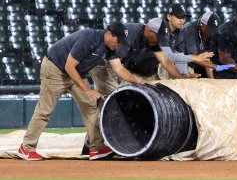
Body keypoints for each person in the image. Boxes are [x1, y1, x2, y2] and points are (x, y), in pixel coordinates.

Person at [16, 22, 146, 161]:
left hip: (74, 73)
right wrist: (87, 90)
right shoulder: (89, 38)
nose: (119, 44)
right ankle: (26, 148)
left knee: (91, 107)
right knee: (45, 110)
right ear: (108, 33)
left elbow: (119, 69)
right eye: (118, 40)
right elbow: (69, 65)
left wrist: (138, 81)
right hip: (55, 69)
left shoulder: (110, 48)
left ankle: (97, 148)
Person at [150, 4, 215, 80]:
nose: (182, 20)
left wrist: (184, 74)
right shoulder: (161, 28)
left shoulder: (180, 32)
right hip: (145, 65)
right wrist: (195, 58)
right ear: (169, 17)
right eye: (178, 17)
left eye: (183, 18)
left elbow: (179, 55)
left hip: (157, 65)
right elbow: (168, 57)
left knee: (187, 74)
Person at [173, 10, 221, 78]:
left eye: (214, 30)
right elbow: (193, 56)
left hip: (191, 63)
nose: (211, 33)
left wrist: (211, 78)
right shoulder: (190, 29)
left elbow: (206, 58)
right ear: (201, 24)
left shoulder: (211, 34)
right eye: (209, 30)